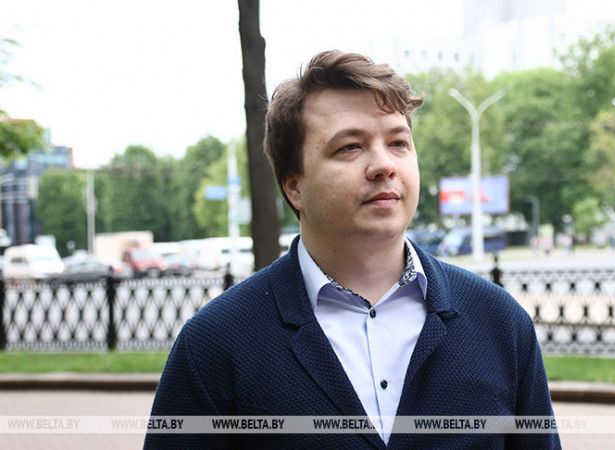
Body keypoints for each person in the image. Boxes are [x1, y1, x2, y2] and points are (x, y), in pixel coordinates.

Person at [145, 50, 560, 449]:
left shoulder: (501, 324)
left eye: (398, 142)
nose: (384, 165)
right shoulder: (216, 343)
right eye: (350, 147)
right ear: (294, 186)